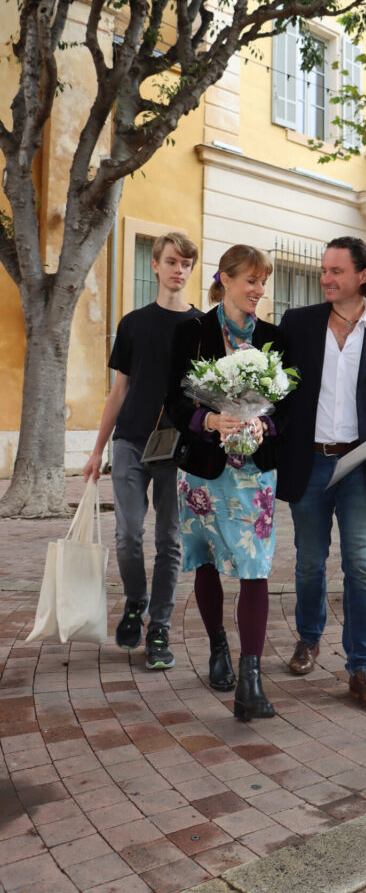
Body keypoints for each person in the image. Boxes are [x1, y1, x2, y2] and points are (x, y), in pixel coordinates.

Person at [277, 237, 366, 712]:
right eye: (324, 270)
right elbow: (277, 391)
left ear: (362, 275)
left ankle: (361, 668)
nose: (326, 278)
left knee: (361, 566)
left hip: (360, 464)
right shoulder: (297, 324)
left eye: (336, 270)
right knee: (310, 561)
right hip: (310, 461)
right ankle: (309, 638)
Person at [165, 244, 283, 721]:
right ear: (226, 280)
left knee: (255, 567)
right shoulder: (191, 333)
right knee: (208, 560)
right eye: (251, 280)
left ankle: (251, 680)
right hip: (203, 470)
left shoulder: (274, 338)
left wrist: (263, 425)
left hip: (254, 473)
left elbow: (289, 406)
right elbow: (174, 401)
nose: (258, 290)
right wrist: (209, 421)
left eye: (263, 282)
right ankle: (218, 648)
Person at [84, 232, 201, 670]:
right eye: (171, 261)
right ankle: (136, 600)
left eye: (186, 264)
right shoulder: (133, 323)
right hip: (131, 441)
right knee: (127, 535)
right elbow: (119, 389)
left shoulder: (201, 327)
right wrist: (97, 449)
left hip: (177, 448)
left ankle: (159, 628)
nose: (178, 270)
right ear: (155, 265)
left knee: (169, 540)